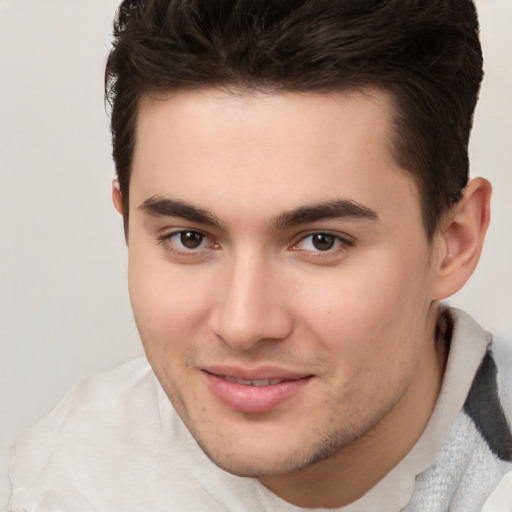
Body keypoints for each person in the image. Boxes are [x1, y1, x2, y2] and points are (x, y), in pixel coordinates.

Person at [7, 0, 512, 510]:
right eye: (190, 238)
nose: (244, 325)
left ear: (454, 241)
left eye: (321, 241)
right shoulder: (64, 480)